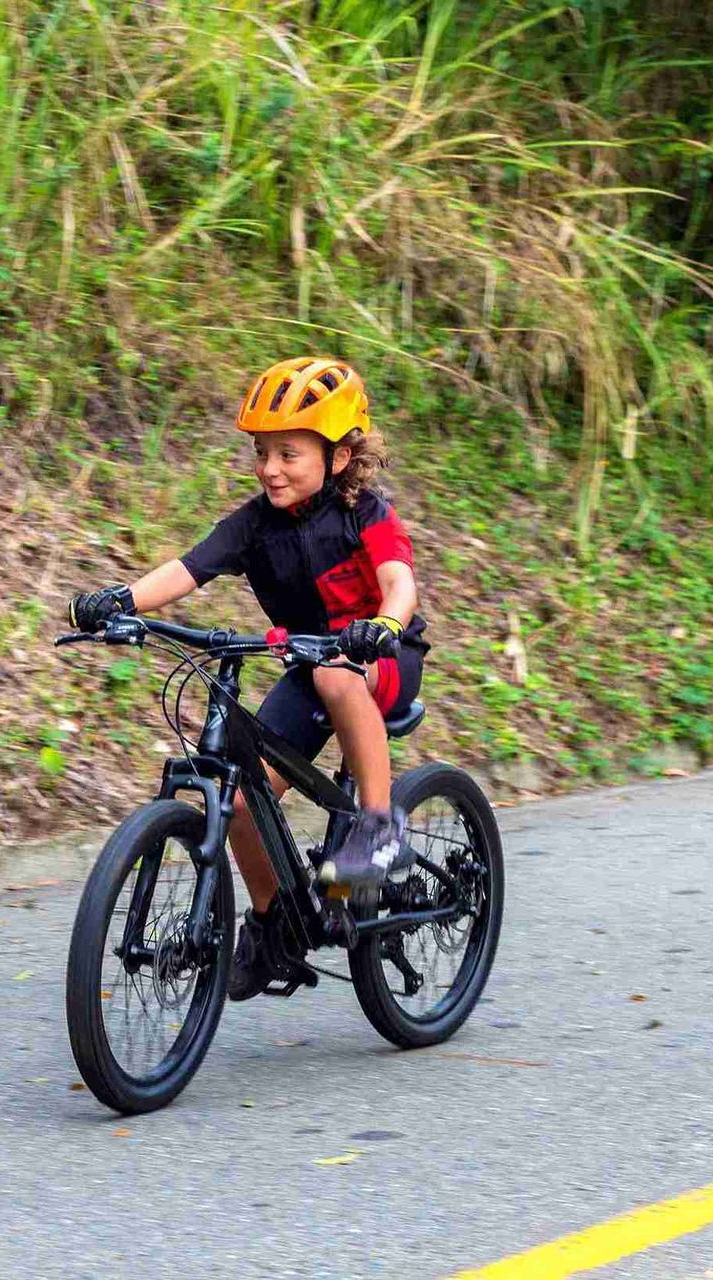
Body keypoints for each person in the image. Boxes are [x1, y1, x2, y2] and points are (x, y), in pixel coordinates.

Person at [68, 356, 429, 1000]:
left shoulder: (365, 513)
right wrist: (120, 601)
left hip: (378, 656)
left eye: (289, 453)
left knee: (337, 677)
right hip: (308, 666)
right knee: (234, 801)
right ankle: (271, 926)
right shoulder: (254, 524)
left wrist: (384, 624)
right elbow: (187, 568)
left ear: (338, 457)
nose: (269, 468)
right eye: (262, 452)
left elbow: (398, 579)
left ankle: (378, 829)